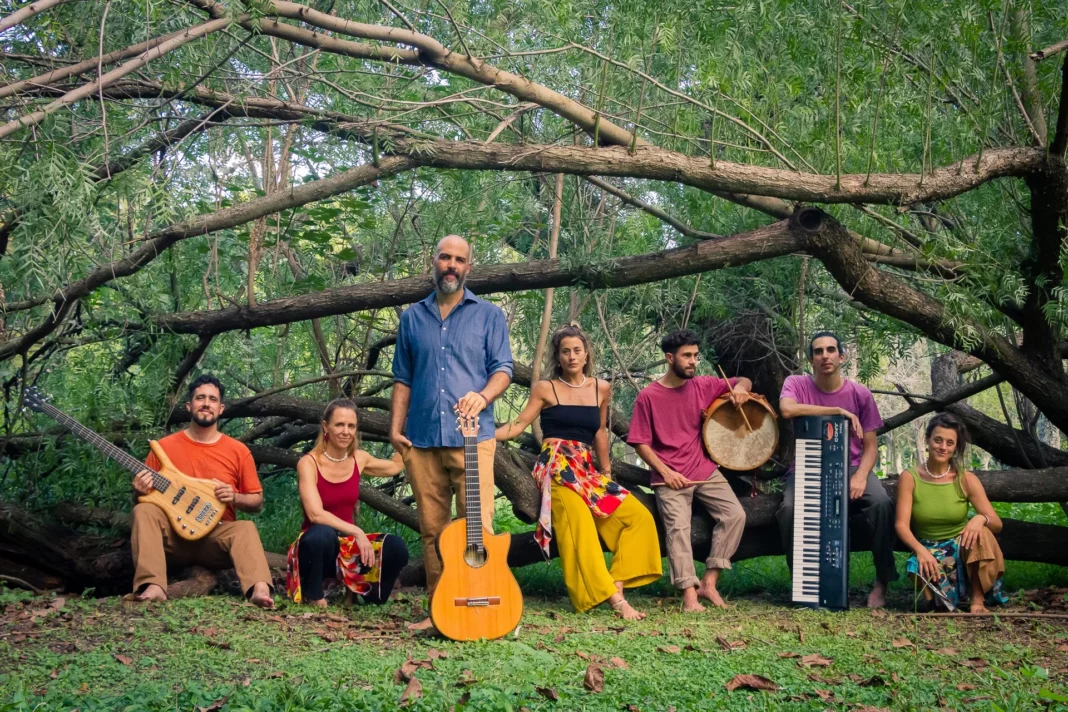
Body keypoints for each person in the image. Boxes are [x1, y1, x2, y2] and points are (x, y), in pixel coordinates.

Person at [390, 234, 513, 631]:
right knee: (432, 531)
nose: (452, 265)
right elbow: (402, 378)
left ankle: (487, 606)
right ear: (434, 260)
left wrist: (482, 396)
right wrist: (395, 429)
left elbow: (503, 370)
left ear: (469, 268)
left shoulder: (489, 315)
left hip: (473, 439)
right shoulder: (411, 318)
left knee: (480, 530)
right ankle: (440, 612)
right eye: (445, 257)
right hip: (422, 439)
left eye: (460, 260)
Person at [496, 325, 661, 620]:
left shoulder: (601, 388)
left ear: (586, 355)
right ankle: (616, 602)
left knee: (639, 518)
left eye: (577, 351)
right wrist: (483, 435)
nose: (572, 357)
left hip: (586, 470)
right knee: (581, 528)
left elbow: (598, 431)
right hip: (557, 466)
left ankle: (616, 584)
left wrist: (606, 471)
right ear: (558, 358)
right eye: (565, 352)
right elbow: (519, 425)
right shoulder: (546, 388)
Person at [628, 329, 750, 611]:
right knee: (678, 529)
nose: (693, 361)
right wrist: (666, 472)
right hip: (669, 477)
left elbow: (741, 380)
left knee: (735, 515)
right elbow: (640, 443)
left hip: (704, 470)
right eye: (687, 356)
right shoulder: (649, 396)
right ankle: (689, 596)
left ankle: (709, 582)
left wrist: (741, 390)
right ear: (670, 358)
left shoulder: (703, 385)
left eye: (695, 355)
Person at [131, 374, 274, 607]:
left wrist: (235, 497)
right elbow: (140, 499)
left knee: (245, 528)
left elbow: (257, 502)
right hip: (173, 539)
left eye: (212, 399)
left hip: (214, 540)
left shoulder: (237, 451)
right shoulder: (163, 449)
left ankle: (259, 590)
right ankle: (154, 585)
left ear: (221, 408)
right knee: (143, 511)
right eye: (200, 398)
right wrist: (139, 491)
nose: (206, 403)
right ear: (189, 406)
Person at [777, 331, 898, 608]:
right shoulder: (796, 383)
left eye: (831, 350)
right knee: (789, 509)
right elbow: (786, 409)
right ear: (811, 359)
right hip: (808, 466)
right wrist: (836, 411)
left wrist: (858, 477)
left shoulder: (860, 393)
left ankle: (882, 582)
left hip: (853, 465)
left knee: (880, 502)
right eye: (818, 352)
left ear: (841, 357)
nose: (825, 356)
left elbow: (870, 447)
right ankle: (803, 583)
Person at [286, 398, 410, 607]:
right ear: (326, 427)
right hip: (317, 547)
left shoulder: (359, 458)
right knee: (321, 533)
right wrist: (357, 532)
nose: (345, 431)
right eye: (339, 425)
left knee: (396, 547)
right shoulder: (308, 462)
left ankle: (367, 595)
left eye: (351, 426)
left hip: (348, 548)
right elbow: (315, 514)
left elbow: (395, 467)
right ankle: (314, 594)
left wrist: (404, 436)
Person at [895, 413, 1007, 613]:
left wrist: (980, 519)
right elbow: (901, 525)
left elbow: (997, 524)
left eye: (949, 442)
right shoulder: (910, 478)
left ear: (956, 447)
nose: (943, 447)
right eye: (938, 440)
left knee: (981, 533)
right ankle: (948, 597)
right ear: (928, 440)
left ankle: (977, 601)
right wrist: (921, 551)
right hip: (930, 549)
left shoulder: (966, 479)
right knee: (917, 573)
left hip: (963, 546)